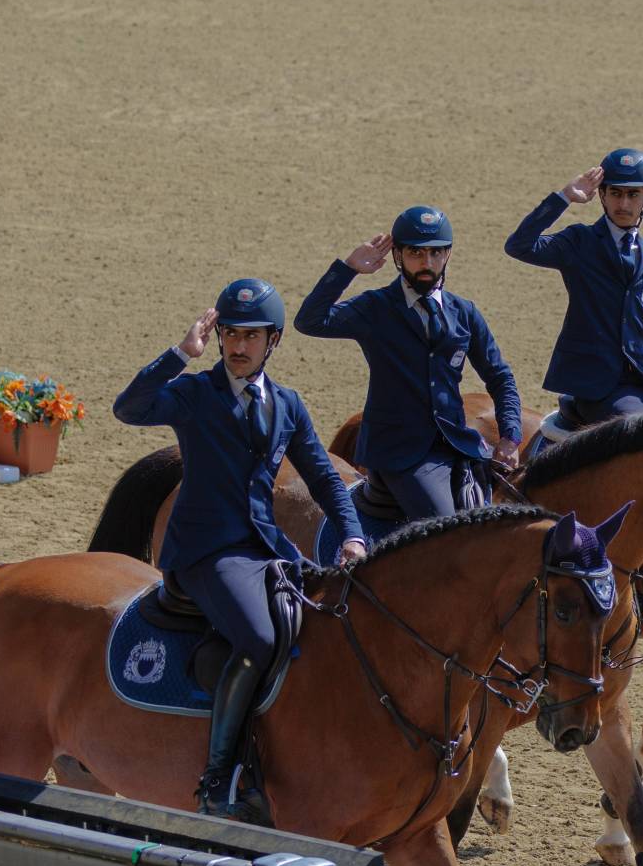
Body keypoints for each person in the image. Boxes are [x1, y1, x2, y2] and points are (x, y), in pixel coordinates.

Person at [114, 279, 366, 820]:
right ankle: (219, 776)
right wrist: (182, 354)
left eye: (251, 336)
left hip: (265, 549)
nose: (238, 345)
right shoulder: (194, 394)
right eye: (231, 333)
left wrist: (352, 534)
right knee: (256, 635)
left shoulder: (288, 405)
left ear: (272, 341)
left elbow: (323, 477)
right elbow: (128, 408)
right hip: (204, 553)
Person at [294, 207, 521, 522]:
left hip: (458, 445)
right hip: (399, 454)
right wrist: (348, 269)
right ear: (398, 255)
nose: (427, 263)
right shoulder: (375, 308)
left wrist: (510, 435)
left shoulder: (465, 313)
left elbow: (500, 378)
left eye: (435, 253)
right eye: (416, 253)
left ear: (448, 254)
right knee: (448, 531)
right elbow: (309, 320)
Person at [504, 150, 643, 430]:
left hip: (640, 381)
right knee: (639, 432)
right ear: (602, 196)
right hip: (594, 386)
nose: (623, 203)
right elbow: (519, 246)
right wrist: (564, 197)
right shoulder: (579, 241)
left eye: (633, 195)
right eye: (615, 193)